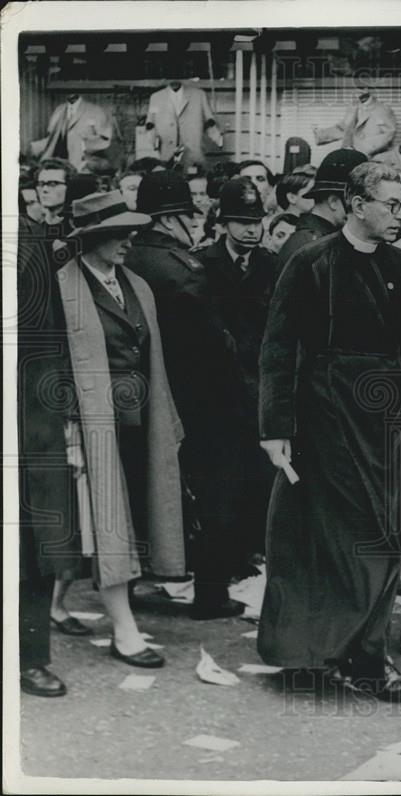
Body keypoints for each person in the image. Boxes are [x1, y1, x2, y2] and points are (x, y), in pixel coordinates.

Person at [257, 162, 401, 701]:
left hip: (386, 421)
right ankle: (314, 657)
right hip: (323, 417)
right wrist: (274, 428)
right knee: (321, 541)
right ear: (354, 203)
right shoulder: (310, 263)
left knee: (382, 537)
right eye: (391, 204)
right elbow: (278, 349)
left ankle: (364, 654)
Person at [55, 190, 187, 668]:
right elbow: (48, 367)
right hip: (88, 427)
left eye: (131, 230)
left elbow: (152, 355)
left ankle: (53, 603)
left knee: (105, 520)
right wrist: (68, 427)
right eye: (119, 232)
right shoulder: (61, 288)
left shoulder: (136, 284)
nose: (130, 239)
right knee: (107, 523)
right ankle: (124, 631)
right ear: (92, 237)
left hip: (137, 423)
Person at [125, 170, 248, 619]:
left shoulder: (127, 257)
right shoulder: (185, 269)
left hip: (139, 395)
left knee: (138, 485)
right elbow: (216, 345)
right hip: (199, 401)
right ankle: (211, 593)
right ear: (172, 217)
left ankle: (135, 580)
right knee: (218, 490)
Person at [194, 177, 278, 563]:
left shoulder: (272, 266)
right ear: (223, 223)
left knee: (260, 477)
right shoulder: (202, 264)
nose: (251, 228)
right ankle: (224, 559)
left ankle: (253, 553)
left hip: (260, 390)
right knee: (220, 480)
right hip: (217, 394)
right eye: (241, 221)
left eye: (256, 220)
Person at [18, 202, 79, 696]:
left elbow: (50, 338)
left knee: (33, 538)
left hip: (26, 416)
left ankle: (29, 655)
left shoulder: (31, 240)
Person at [277, 149, 368, 269]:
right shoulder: (317, 247)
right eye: (358, 203)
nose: (363, 211)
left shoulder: (313, 241)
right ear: (334, 202)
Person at [35, 157, 75, 227]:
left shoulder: (76, 230)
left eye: (52, 184)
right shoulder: (34, 231)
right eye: (41, 184)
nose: (45, 189)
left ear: (69, 187)